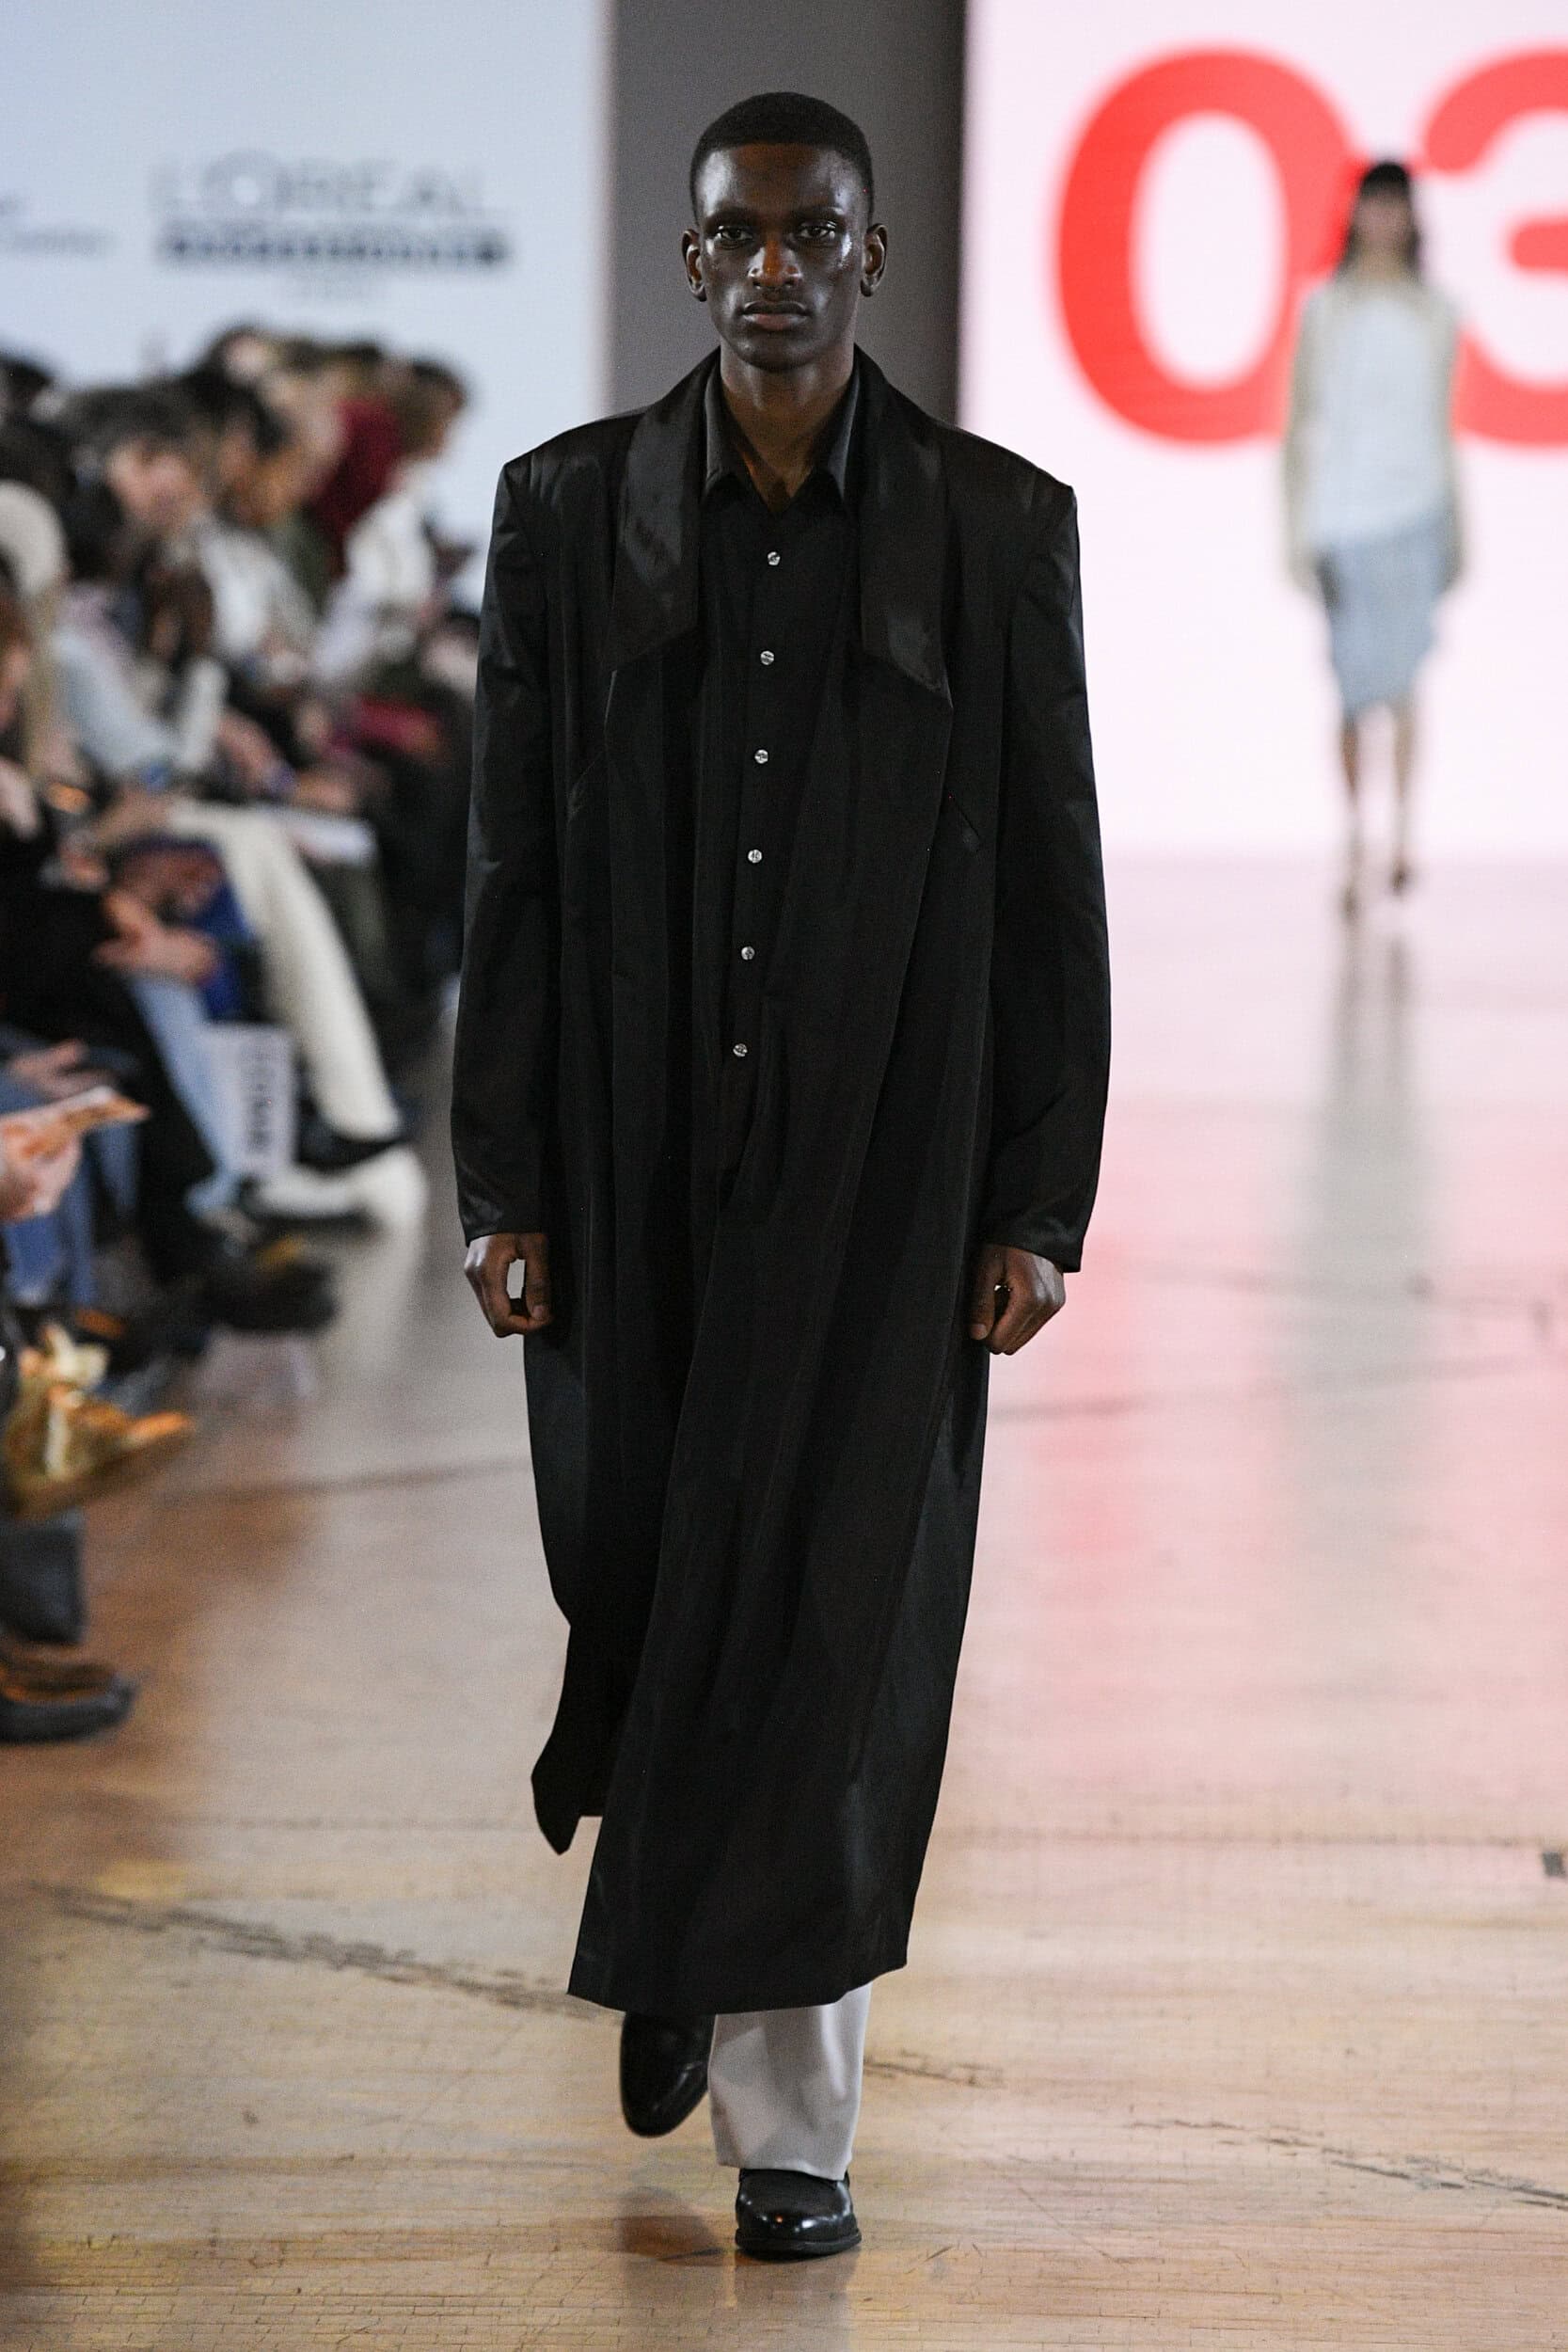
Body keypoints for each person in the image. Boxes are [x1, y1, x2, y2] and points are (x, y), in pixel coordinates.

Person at [451, 91, 1110, 2260]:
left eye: (806, 235)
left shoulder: (993, 528)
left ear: (867, 257)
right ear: (690, 258)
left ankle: (790, 2127)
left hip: (882, 1170)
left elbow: (1048, 886)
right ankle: (672, 1911)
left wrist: (1034, 1197)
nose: (768, 270)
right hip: (628, 1159)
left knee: (833, 1629)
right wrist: (502, 1173)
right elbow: (510, 871)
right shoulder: (566, 516)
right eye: (733, 235)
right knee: (645, 1578)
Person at [1284, 159, 1464, 914]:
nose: (1383, 220)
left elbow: (1440, 423)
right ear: (1354, 213)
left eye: (1394, 207)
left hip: (1414, 511)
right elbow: (1301, 423)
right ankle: (1355, 834)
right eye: (1372, 205)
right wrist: (1295, 528)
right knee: (1353, 689)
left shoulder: (1435, 312)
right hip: (1345, 518)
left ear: (1411, 217)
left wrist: (1455, 527)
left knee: (1406, 682)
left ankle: (1403, 836)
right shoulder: (1327, 311)